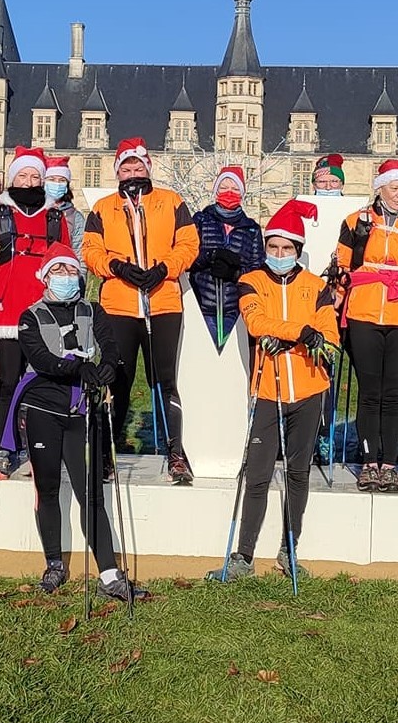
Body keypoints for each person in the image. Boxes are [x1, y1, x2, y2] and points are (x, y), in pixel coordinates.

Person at [211, 200, 339, 582]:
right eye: (274, 247)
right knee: (259, 474)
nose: (280, 254)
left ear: (298, 250)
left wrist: (310, 339)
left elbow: (328, 335)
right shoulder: (252, 280)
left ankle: (289, 549)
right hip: (268, 388)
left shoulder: (317, 287)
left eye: (287, 248)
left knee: (298, 472)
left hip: (309, 389)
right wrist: (299, 332)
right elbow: (256, 322)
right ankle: (244, 556)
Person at [14, 243, 146, 600]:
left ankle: (108, 574)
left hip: (84, 412)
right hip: (44, 411)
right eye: (58, 271)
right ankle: (54, 563)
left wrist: (106, 367)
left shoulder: (93, 309)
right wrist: (79, 366)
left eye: (71, 271)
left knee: (92, 495)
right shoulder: (31, 316)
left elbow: (111, 346)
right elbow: (42, 360)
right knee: (49, 488)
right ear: (44, 276)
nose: (66, 277)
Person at [81, 138, 200, 483]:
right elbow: (90, 251)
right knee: (118, 379)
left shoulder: (171, 202)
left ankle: (175, 452)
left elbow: (189, 244)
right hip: (119, 303)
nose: (132, 173)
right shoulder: (103, 208)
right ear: (117, 171)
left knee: (164, 380)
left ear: (149, 168)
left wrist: (166, 268)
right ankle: (106, 451)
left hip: (162, 301)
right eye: (126, 168)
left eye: (138, 167)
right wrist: (116, 267)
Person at [333, 160, 398, 493]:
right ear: (380, 187)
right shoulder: (356, 222)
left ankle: (388, 465)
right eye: (395, 188)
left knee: (393, 394)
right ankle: (368, 463)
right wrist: (335, 311)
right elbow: (342, 268)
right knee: (369, 393)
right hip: (363, 313)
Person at [0, 146, 65, 480]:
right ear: (12, 179)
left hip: (43, 312)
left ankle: (42, 449)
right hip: (6, 311)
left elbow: (65, 260)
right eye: (23, 175)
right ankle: (5, 449)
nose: (29, 180)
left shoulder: (55, 217)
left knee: (43, 383)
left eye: (35, 176)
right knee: (8, 383)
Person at [190, 164, 263, 350]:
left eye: (234, 188)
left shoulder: (252, 228)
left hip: (234, 309)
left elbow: (257, 269)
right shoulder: (201, 220)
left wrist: (236, 273)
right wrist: (210, 256)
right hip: (203, 307)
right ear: (215, 190)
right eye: (223, 187)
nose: (229, 192)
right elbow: (188, 257)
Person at [42, 155, 86, 256]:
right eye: (52, 179)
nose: (57, 184)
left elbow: (79, 252)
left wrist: (78, 272)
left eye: (62, 180)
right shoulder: (33, 211)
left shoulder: (75, 217)